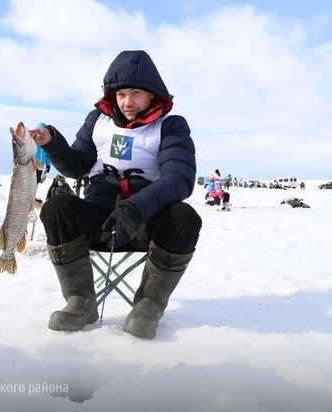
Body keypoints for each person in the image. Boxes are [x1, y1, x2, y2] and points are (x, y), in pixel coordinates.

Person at [29, 50, 202, 340]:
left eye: (136, 93)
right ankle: (81, 302)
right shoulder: (98, 121)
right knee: (57, 207)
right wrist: (53, 144)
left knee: (184, 218)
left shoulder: (171, 126)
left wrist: (136, 208)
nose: (127, 102)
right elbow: (76, 166)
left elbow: (179, 178)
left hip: (146, 223)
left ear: (152, 95)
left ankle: (148, 305)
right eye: (121, 94)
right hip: (100, 221)